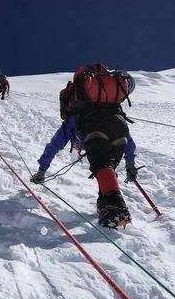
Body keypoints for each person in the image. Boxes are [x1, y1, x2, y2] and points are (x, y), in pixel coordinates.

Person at [30, 63, 137, 228]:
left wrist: (41, 171)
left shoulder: (74, 118)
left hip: (94, 128)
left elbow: (53, 146)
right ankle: (105, 205)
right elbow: (128, 141)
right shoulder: (111, 107)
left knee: (102, 166)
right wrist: (130, 163)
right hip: (120, 128)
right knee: (106, 168)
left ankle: (115, 208)